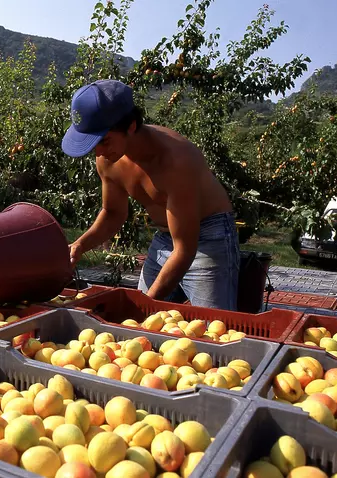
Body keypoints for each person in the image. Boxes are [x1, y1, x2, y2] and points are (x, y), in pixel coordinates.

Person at [62, 79, 240, 310]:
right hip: (165, 237)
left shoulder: (177, 161)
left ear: (131, 126)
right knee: (140, 327)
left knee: (213, 328)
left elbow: (185, 249)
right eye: (91, 143)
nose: (99, 152)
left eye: (104, 140)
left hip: (209, 237)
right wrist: (80, 244)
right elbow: (114, 213)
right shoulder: (108, 159)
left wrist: (143, 306)